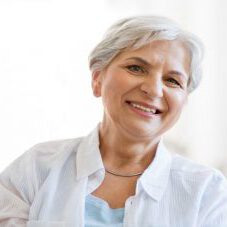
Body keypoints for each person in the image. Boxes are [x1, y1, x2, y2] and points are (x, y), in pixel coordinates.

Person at [0, 15, 227, 227]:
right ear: (98, 78)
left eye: (172, 81)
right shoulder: (35, 170)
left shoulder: (207, 191)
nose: (154, 89)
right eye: (136, 68)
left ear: (185, 99)